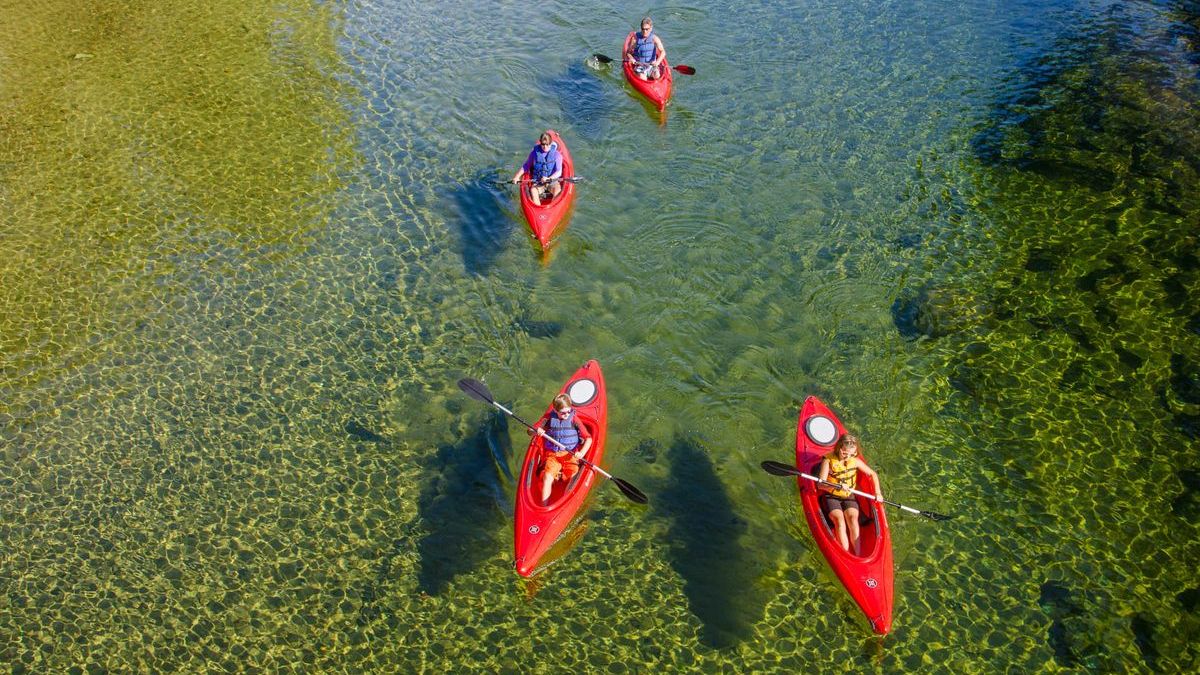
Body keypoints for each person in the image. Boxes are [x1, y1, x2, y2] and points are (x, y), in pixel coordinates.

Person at [817, 433, 882, 556]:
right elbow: (820, 485)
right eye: (845, 453)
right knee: (840, 521)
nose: (848, 457)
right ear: (839, 449)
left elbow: (873, 474)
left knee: (853, 519)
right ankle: (846, 554)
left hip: (849, 496)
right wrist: (835, 486)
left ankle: (857, 555)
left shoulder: (855, 461)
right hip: (831, 496)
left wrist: (878, 493)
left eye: (852, 454)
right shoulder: (828, 461)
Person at [530, 393, 592, 504]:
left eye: (569, 411)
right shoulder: (548, 418)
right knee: (547, 477)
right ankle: (544, 507)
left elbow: (588, 438)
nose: (567, 415)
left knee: (573, 478)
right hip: (553, 455)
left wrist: (582, 453)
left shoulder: (574, 419)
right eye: (563, 413)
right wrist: (536, 431)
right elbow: (530, 432)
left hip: (570, 455)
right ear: (555, 410)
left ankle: (564, 503)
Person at [511, 131, 562, 206]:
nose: (545, 147)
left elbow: (559, 171)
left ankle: (553, 207)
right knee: (533, 190)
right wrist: (517, 176)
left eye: (547, 144)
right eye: (543, 144)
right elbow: (526, 165)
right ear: (540, 143)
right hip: (538, 181)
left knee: (557, 190)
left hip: (552, 180)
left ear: (551, 144)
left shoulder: (557, 155)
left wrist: (549, 178)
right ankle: (538, 208)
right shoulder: (534, 153)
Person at [624, 16, 666, 81]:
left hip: (652, 65)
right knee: (642, 78)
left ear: (651, 28)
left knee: (657, 75)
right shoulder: (635, 38)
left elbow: (663, 52)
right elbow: (628, 53)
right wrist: (632, 59)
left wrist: (657, 62)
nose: (644, 31)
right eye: (643, 29)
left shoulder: (655, 39)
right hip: (640, 65)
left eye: (647, 29)